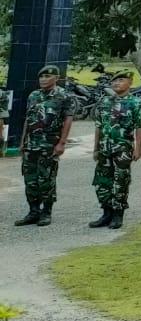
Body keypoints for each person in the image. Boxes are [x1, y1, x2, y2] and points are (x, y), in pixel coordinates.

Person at [15, 64, 73, 227]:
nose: (43, 79)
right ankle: (33, 211)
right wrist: (22, 141)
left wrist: (62, 143)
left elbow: (68, 119)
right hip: (31, 144)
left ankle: (46, 212)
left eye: (47, 77)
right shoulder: (33, 95)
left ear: (56, 78)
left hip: (49, 144)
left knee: (46, 179)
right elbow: (28, 119)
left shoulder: (63, 96)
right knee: (30, 179)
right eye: (41, 77)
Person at [90, 67, 141, 229]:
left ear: (130, 83)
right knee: (102, 181)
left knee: (120, 181)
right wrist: (95, 148)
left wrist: (138, 149)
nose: (117, 83)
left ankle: (118, 214)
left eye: (121, 80)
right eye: (114, 80)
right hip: (104, 148)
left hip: (122, 148)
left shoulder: (135, 102)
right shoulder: (105, 102)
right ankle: (106, 212)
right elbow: (99, 126)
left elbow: (139, 127)